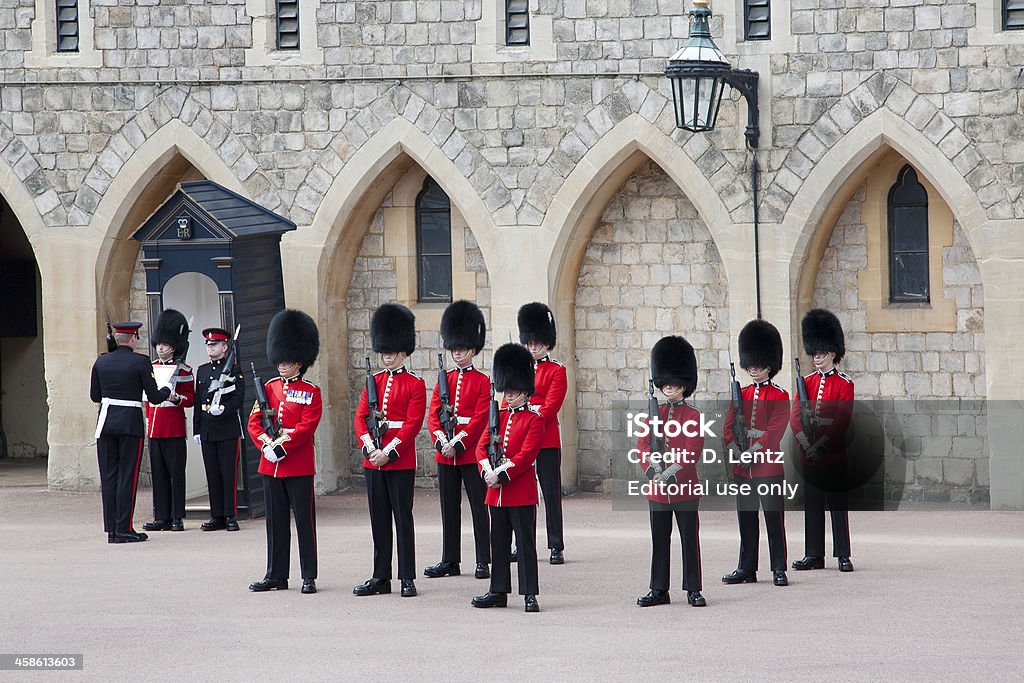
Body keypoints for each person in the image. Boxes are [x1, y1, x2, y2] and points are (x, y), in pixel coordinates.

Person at [247, 309, 323, 594]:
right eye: (280, 359)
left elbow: (307, 426)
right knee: (275, 523)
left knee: (305, 522)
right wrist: (266, 444)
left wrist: (282, 444)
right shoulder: (269, 387)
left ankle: (308, 575)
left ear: (299, 362)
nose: (282, 364)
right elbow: (255, 421)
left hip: (298, 464)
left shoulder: (311, 391)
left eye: (287, 360)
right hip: (270, 465)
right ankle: (275, 574)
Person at [353, 303, 426, 599]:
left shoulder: (415, 384)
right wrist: (371, 449)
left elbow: (412, 424)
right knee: (379, 520)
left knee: (402, 519)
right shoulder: (374, 382)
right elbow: (360, 418)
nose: (386, 355)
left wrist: (390, 452)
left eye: (392, 351)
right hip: (374, 461)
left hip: (399, 461)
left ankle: (407, 576)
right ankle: (380, 576)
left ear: (403, 351)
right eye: (384, 350)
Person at [471, 343, 544, 613]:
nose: (509, 394)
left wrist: (501, 473)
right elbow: (481, 446)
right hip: (496, 493)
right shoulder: (498, 417)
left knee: (525, 545)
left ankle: (529, 594)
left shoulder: (535, 420)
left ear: (525, 391)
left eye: (514, 390)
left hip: (520, 491)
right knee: (498, 544)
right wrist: (486, 471)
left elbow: (526, 455)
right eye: (507, 390)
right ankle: (498, 590)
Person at [636, 335, 707, 608]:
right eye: (665, 382)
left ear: (684, 385)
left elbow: (691, 452)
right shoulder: (654, 413)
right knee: (659, 541)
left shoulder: (693, 416)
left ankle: (693, 588)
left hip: (684, 488)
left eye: (674, 383)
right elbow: (643, 445)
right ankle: (658, 589)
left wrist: (668, 474)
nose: (669, 387)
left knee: (690, 540)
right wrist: (653, 471)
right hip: (657, 491)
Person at [423, 301, 492, 580]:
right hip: (445, 452)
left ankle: (483, 560)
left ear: (473, 349)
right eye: (454, 348)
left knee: (478, 508)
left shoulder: (482, 381)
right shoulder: (445, 379)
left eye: (462, 348)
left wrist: (459, 443)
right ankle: (449, 559)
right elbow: (433, 414)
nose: (457, 352)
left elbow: (479, 418)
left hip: (469, 452)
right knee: (448, 508)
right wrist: (441, 441)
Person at [90, 321, 176, 543]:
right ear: (134, 339)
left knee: (109, 477)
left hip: (106, 422)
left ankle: (112, 530)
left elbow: (95, 396)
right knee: (127, 477)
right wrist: (167, 388)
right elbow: (155, 396)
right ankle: (124, 528)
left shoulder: (101, 361)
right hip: (129, 424)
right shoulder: (141, 362)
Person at [722, 319, 790, 588]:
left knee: (774, 520)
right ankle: (747, 567)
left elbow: (775, 431)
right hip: (743, 468)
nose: (752, 367)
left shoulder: (780, 395)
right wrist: (736, 450)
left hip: (768, 467)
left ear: (769, 364)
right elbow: (728, 428)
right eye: (750, 362)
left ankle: (779, 568)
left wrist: (753, 451)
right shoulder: (741, 394)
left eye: (758, 363)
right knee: (747, 520)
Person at [790, 308, 856, 573]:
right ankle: (813, 553)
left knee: (837, 506)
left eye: (821, 353)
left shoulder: (844, 384)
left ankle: (842, 554)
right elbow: (796, 417)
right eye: (814, 353)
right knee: (813, 504)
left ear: (832, 353)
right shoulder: (805, 382)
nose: (816, 357)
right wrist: (806, 444)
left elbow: (842, 419)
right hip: (809, 453)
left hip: (833, 453)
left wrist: (820, 445)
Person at [516, 302, 568, 565]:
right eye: (530, 343)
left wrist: (527, 418)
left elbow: (551, 406)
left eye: (538, 343)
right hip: (520, 441)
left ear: (547, 343)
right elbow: (508, 402)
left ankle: (555, 544)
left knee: (550, 493)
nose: (534, 347)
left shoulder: (557, 370)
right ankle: (522, 543)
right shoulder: (519, 368)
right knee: (521, 493)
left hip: (546, 440)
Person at [143, 309, 195, 533]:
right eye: (159, 344)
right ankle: (161, 516)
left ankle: (177, 517)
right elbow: (147, 399)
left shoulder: (184, 370)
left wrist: (177, 399)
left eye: (164, 344)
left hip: (173, 428)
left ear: (174, 346)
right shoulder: (150, 367)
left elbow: (191, 399)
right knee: (160, 475)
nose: (160, 348)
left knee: (176, 475)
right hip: (155, 427)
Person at [193, 327, 245, 532]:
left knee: (227, 473)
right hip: (207, 428)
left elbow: (238, 399)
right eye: (208, 344)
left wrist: (224, 409)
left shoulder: (234, 369)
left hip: (226, 429)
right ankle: (217, 515)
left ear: (225, 347)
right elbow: (198, 402)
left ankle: (230, 515)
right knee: (212, 473)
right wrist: (197, 429)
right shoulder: (203, 370)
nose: (210, 348)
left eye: (214, 344)